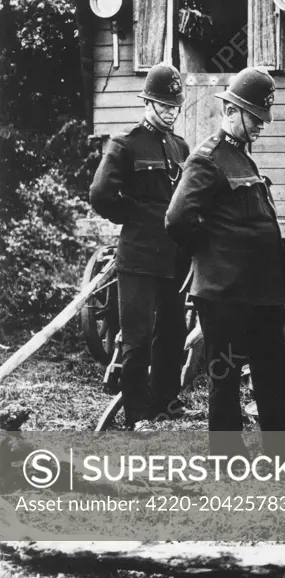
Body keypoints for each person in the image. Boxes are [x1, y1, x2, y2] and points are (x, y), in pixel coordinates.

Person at [165, 66, 285, 459]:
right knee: (224, 380)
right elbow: (177, 220)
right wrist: (211, 257)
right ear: (233, 111)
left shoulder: (243, 159)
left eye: (264, 118)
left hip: (262, 294)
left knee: (276, 372)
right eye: (255, 118)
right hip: (226, 295)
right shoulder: (206, 159)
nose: (261, 125)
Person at [89, 63, 189, 430]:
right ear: (148, 102)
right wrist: (134, 216)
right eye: (164, 105)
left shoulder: (181, 147)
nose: (171, 111)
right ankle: (137, 414)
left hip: (173, 259)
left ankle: (164, 400)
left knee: (173, 333)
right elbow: (100, 194)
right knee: (137, 338)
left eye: (175, 105)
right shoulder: (126, 144)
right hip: (139, 257)